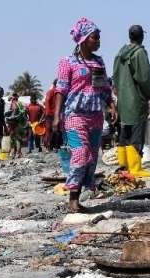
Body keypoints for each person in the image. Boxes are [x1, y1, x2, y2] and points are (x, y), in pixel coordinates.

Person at [53, 17, 115, 213]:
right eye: (94, 38)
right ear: (83, 39)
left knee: (91, 159)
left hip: (96, 116)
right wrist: (57, 116)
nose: (98, 41)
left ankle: (79, 198)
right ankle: (72, 199)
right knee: (80, 155)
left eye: (99, 38)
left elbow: (103, 87)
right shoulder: (67, 62)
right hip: (74, 116)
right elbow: (61, 90)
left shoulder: (98, 62)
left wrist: (111, 105)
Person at [113, 24, 150, 178]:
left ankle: (124, 167)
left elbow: (115, 77)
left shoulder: (120, 53)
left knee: (124, 134)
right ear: (142, 36)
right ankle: (135, 168)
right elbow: (145, 78)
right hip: (136, 100)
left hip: (123, 100)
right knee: (136, 133)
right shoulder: (139, 53)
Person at [5, 94, 28, 158]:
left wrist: (12, 116)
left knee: (13, 138)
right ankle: (18, 152)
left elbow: (15, 109)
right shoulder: (20, 103)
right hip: (19, 123)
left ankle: (15, 152)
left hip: (13, 123)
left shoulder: (14, 103)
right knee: (17, 138)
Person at [43, 80, 59, 150]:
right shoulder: (52, 91)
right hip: (52, 114)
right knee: (51, 131)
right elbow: (47, 101)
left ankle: (50, 146)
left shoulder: (54, 92)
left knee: (50, 131)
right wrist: (48, 113)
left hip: (52, 114)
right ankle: (49, 146)